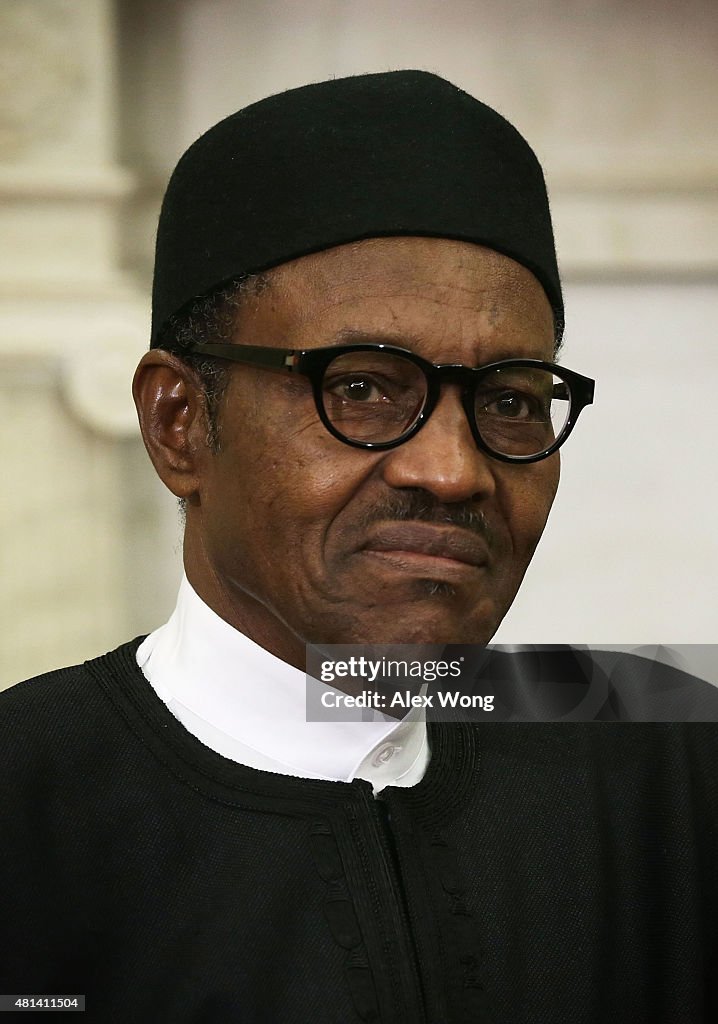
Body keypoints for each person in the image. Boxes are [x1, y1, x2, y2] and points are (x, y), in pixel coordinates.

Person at [1, 70, 715, 1023]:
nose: (453, 471)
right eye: (364, 388)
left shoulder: (666, 752)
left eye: (509, 400)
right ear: (179, 425)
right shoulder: (28, 804)